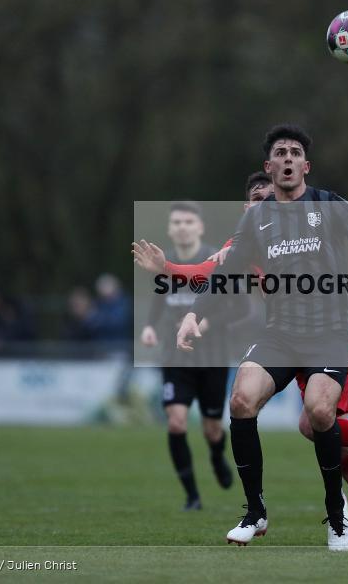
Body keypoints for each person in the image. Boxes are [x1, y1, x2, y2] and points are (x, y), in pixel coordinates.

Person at [133, 171, 348, 545]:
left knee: (316, 425)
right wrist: (168, 269)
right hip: (286, 339)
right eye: (259, 200)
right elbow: (211, 273)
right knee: (315, 430)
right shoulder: (245, 240)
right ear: (247, 207)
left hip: (336, 338)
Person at [141, 201, 234, 511]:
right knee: (177, 423)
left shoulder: (216, 260)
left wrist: (206, 322)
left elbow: (235, 307)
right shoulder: (163, 263)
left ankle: (218, 454)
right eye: (176, 222)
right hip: (175, 357)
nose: (182, 226)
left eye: (188, 221)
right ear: (170, 228)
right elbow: (159, 300)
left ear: (200, 226)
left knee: (211, 428)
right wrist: (150, 327)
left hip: (212, 358)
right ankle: (192, 496)